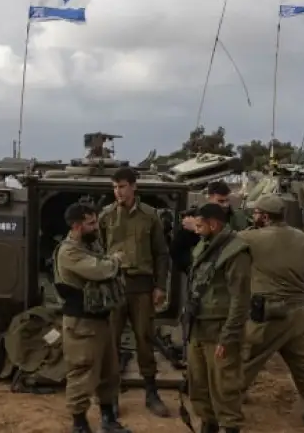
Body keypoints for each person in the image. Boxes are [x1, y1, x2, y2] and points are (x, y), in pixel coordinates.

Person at [239, 195, 304, 430]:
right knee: (303, 362)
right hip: (299, 313)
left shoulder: (250, 237)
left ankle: (229, 402)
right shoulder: (302, 237)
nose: (254, 216)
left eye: (257, 212)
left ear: (265, 216)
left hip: (268, 314)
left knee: (246, 359)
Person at [99, 167, 171, 417]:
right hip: (114, 287)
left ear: (133, 186)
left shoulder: (150, 216)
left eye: (122, 186)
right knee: (111, 343)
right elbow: (97, 254)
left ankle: (151, 392)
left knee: (145, 339)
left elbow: (162, 254)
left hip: (142, 287)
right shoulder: (106, 216)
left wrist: (160, 286)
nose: (118, 191)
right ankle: (112, 397)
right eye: (115, 187)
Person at [54, 202, 131, 433]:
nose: (96, 227)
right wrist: (116, 260)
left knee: (109, 373)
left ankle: (108, 420)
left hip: (101, 321)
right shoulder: (69, 251)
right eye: (91, 223)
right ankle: (80, 425)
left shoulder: (90, 244)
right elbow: (101, 269)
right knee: (82, 373)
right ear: (77, 226)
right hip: (81, 324)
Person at [183, 203, 252, 433]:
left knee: (225, 386)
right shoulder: (205, 244)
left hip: (220, 330)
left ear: (213, 224)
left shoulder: (235, 252)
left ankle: (230, 427)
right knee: (199, 384)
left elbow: (239, 301)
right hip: (198, 328)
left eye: (200, 225)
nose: (196, 230)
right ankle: (208, 424)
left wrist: (228, 337)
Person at [180, 181, 250, 241]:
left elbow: (241, 240)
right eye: (221, 201)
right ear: (209, 198)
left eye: (227, 200)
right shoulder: (194, 217)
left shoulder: (238, 217)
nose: (226, 205)